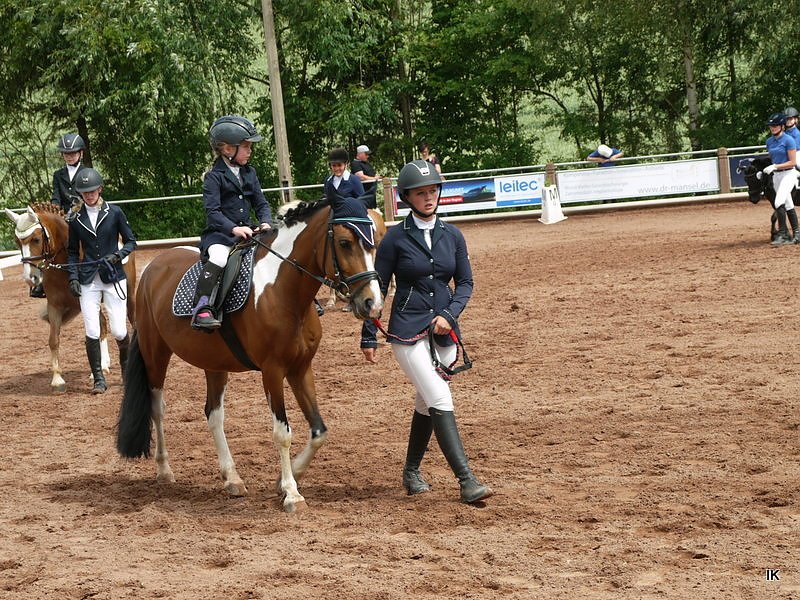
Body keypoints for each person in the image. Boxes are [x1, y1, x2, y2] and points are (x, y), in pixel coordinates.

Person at [360, 159, 491, 505]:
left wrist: (450, 313)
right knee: (439, 398)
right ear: (407, 197)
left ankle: (411, 472)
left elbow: (465, 283)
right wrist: (368, 335)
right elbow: (379, 288)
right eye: (421, 193)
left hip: (444, 332)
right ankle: (467, 481)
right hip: (406, 330)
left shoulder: (453, 236)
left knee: (426, 401)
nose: (429, 197)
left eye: (433, 190)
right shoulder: (394, 241)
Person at [192, 115, 274, 331]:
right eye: (245, 146)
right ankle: (202, 307)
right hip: (221, 234)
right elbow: (213, 213)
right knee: (218, 258)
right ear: (228, 149)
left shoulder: (250, 172)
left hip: (249, 231)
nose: (250, 151)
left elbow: (261, 203)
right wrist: (234, 228)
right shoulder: (213, 177)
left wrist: (265, 222)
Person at [67, 167, 137, 394]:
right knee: (92, 330)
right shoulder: (76, 220)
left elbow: (131, 242)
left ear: (100, 189)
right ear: (81, 194)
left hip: (113, 275)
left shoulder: (115, 213)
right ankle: (98, 378)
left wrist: (117, 255)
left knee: (118, 330)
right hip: (89, 279)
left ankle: (127, 373)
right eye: (84, 192)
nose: (89, 195)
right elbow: (71, 252)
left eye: (92, 190)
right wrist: (73, 277)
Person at [30, 133, 89, 299]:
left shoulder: (87, 172)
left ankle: (94, 273)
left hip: (84, 214)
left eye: (73, 153)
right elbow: (56, 196)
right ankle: (41, 282)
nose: (69, 157)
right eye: (66, 154)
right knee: (47, 243)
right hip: (63, 216)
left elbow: (88, 195)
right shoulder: (58, 174)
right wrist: (55, 213)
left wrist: (75, 212)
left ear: (80, 153)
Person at [761, 112, 800, 245]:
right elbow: (773, 159)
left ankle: (782, 234)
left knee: (778, 202)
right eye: (771, 126)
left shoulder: (789, 140)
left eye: (775, 125)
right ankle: (796, 234)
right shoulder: (769, 142)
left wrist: (775, 166)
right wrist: (765, 171)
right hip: (777, 176)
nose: (772, 128)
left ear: (782, 126)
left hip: (789, 174)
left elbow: (793, 162)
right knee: (788, 204)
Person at [350, 144, 381, 209]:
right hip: (363, 194)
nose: (368, 156)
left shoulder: (366, 163)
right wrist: (374, 178)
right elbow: (361, 177)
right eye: (366, 154)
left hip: (371, 194)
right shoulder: (356, 163)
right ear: (360, 154)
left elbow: (371, 174)